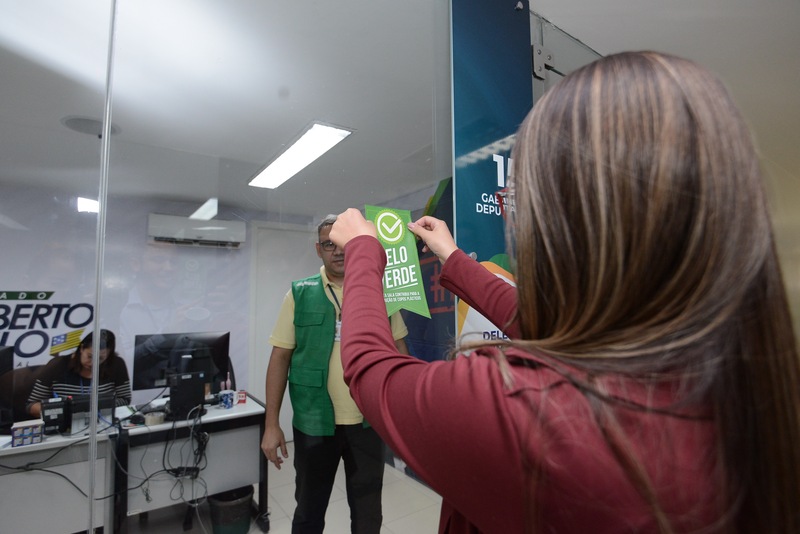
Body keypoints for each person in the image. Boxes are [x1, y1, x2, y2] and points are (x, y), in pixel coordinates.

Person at [328, 51, 800, 533]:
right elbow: (536, 319)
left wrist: (363, 252)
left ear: (567, 218)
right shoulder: (734, 381)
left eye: (518, 199)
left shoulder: (528, 410)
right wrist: (452, 258)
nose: (513, 219)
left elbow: (373, 372)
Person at [260, 214, 410, 534]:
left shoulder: (377, 291)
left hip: (368, 422)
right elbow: (280, 358)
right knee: (309, 512)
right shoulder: (299, 294)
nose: (338, 251)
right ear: (319, 250)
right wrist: (271, 424)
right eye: (329, 245)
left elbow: (400, 352)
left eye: (343, 243)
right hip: (314, 423)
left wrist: (401, 414)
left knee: (368, 514)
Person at [27, 329, 132, 418]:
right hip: (64, 423)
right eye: (90, 356)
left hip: (102, 421)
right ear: (81, 348)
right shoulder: (57, 365)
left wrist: (99, 407)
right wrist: (62, 411)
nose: (93, 363)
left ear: (108, 356)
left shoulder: (116, 364)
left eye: (100, 358)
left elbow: (125, 399)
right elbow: (31, 405)